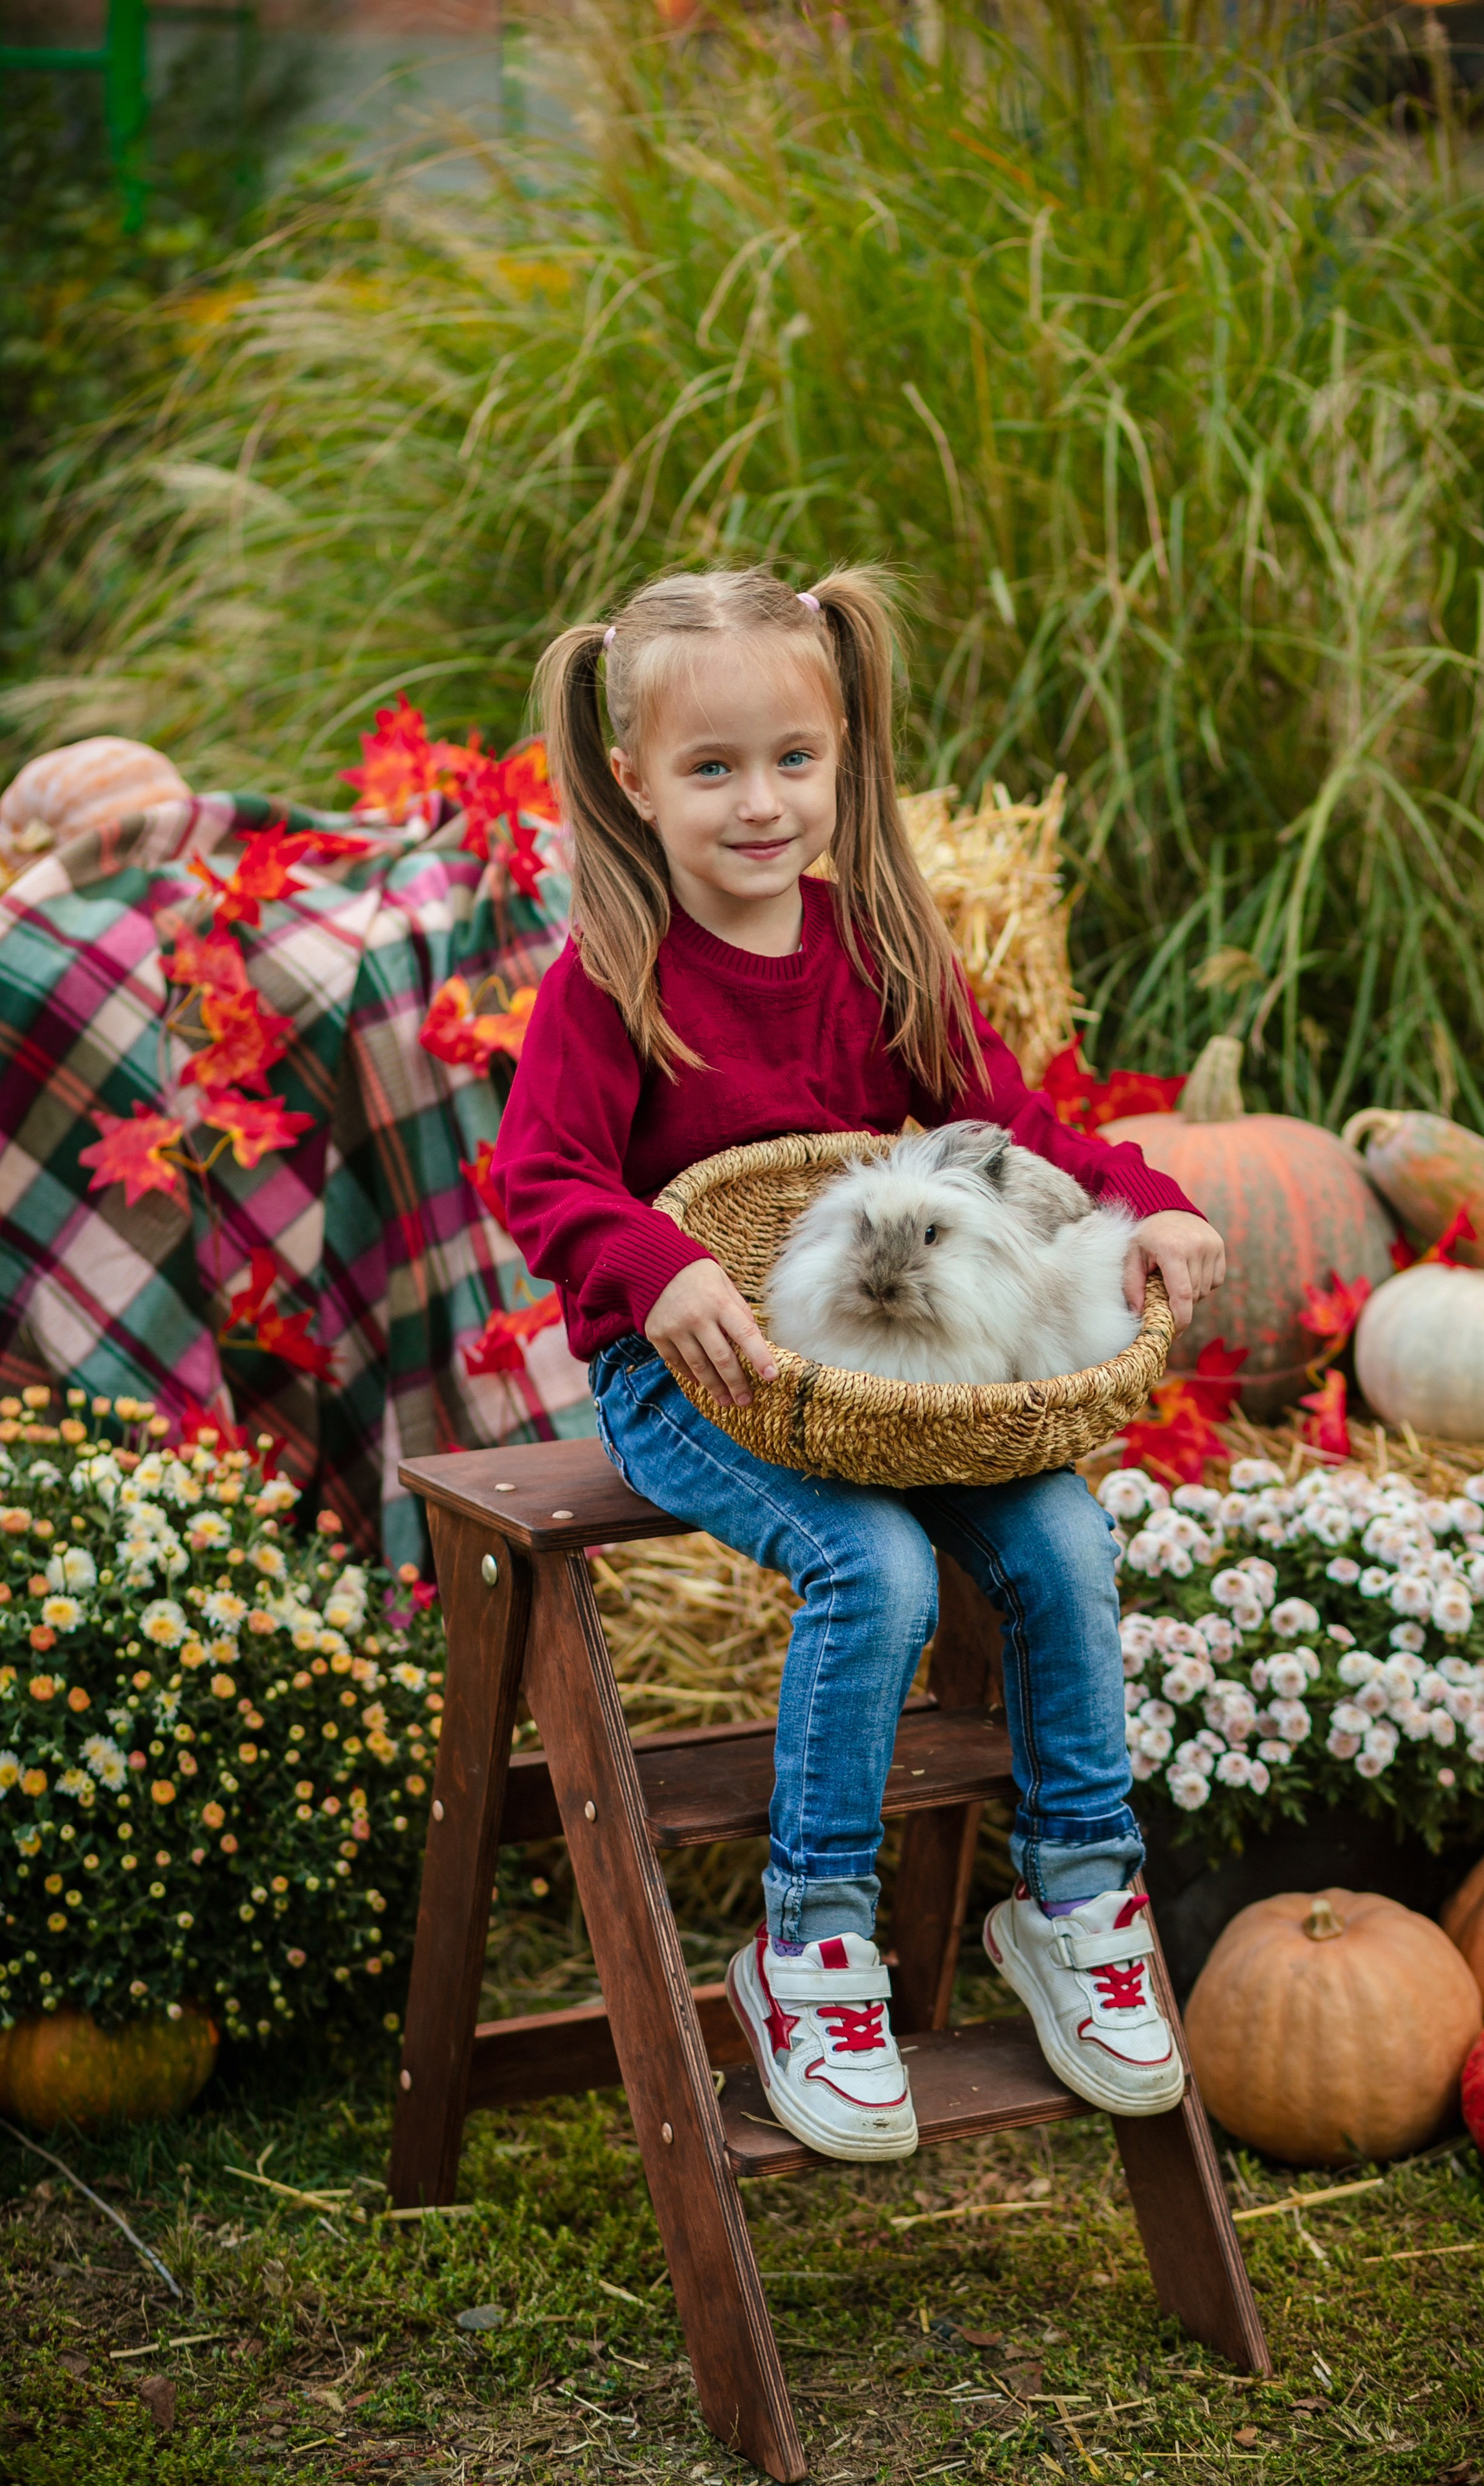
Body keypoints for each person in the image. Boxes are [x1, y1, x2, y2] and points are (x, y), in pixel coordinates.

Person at [494, 568, 1227, 2162]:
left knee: (1061, 1538)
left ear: (842, 758)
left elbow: (1011, 1125)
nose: (760, 805)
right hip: (687, 1382)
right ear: (632, 783)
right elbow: (539, 1183)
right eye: (710, 768)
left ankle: (1075, 1893)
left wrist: (1148, 1204)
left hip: (877, 1375)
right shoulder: (608, 979)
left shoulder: (878, 946)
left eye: (793, 761)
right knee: (875, 1568)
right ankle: (810, 1938)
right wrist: (657, 1262)